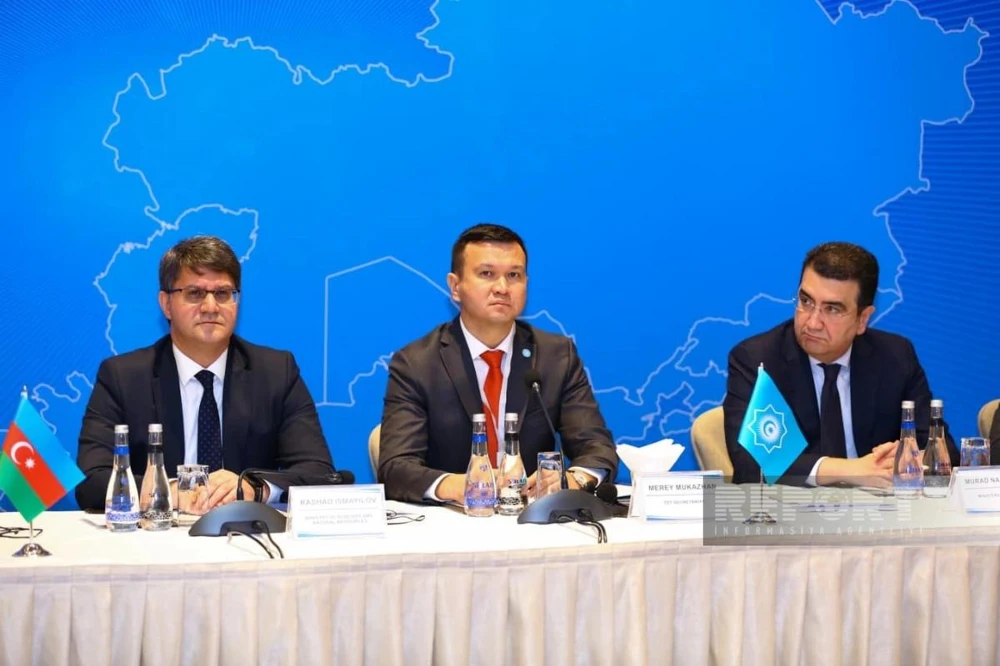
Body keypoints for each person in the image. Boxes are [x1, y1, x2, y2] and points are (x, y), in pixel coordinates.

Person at [76, 235, 336, 511]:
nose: (211, 307)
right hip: (158, 534)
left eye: (223, 293)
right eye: (195, 293)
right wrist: (169, 492)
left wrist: (256, 487)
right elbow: (91, 481)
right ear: (166, 304)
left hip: (244, 532)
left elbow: (320, 474)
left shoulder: (275, 372)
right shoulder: (123, 377)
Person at [378, 223, 618, 503]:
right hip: (454, 519)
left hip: (533, 516)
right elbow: (396, 468)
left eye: (513, 275)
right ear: (455, 287)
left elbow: (597, 448)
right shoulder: (417, 363)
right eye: (487, 274)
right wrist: (464, 485)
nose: (502, 288)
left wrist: (573, 480)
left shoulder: (556, 356)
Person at [723, 241, 958, 486]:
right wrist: (853, 470)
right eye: (806, 301)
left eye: (832, 309)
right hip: (793, 507)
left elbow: (943, 451)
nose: (812, 323)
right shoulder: (758, 360)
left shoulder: (896, 357)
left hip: (878, 506)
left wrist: (905, 460)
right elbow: (752, 463)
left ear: (862, 319)